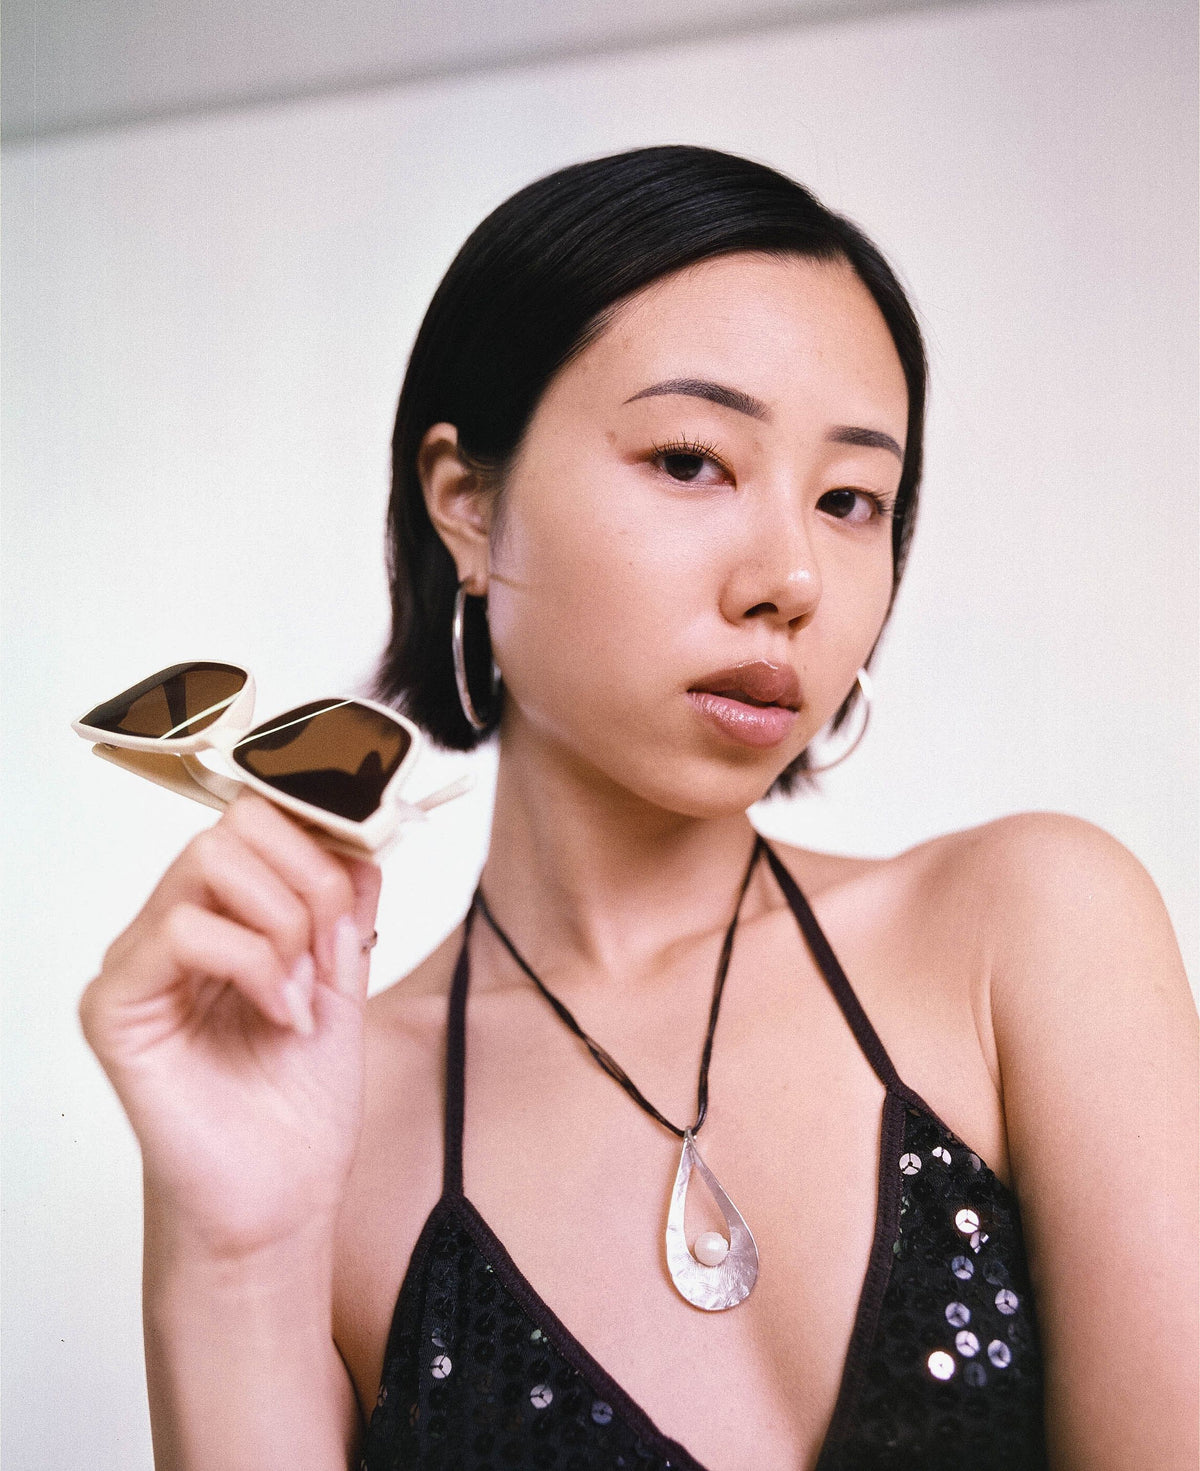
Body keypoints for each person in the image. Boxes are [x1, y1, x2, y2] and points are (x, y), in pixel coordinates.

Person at [78, 146, 1197, 1471]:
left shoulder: (1027, 933)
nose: (790, 577)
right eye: (690, 460)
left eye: (851, 500)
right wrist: (233, 1255)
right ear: (467, 503)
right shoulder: (325, 1121)